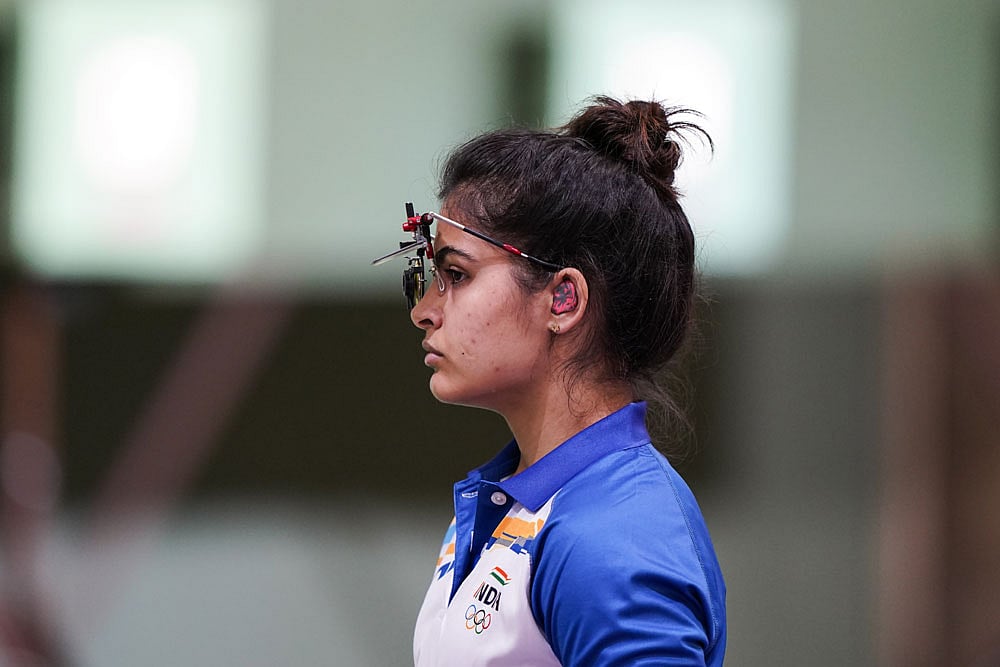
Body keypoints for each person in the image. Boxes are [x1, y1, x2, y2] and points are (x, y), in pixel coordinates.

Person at [402, 96, 726, 666]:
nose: (424, 311)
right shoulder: (507, 507)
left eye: (456, 274)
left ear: (564, 298)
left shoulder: (616, 534)